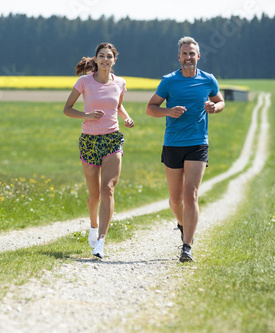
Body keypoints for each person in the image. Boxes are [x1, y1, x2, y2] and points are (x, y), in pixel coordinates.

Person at [146, 36, 225, 262]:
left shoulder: (208, 80)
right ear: (179, 57)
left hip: (198, 142)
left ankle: (187, 246)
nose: (189, 57)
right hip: (172, 143)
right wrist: (168, 112)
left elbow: (220, 101)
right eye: (185, 54)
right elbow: (150, 108)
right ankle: (182, 224)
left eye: (192, 53)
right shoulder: (169, 81)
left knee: (191, 194)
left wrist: (214, 107)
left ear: (198, 56)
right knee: (175, 199)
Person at [64, 42, 135, 259]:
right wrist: (86, 116)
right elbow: (67, 109)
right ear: (95, 59)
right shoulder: (84, 81)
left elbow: (117, 105)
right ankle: (93, 226)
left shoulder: (120, 83)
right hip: (89, 141)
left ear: (115, 60)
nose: (105, 59)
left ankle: (101, 242)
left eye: (109, 56)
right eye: (101, 56)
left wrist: (127, 117)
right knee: (94, 196)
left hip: (112, 139)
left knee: (108, 190)